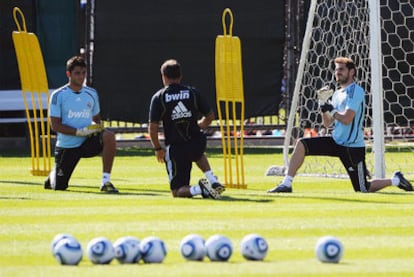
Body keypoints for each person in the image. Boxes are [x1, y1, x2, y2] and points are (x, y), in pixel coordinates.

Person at [267, 56, 413, 193]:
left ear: (352, 72)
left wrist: (332, 109)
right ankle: (287, 183)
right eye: (336, 70)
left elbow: (347, 118)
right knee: (301, 144)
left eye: (341, 69)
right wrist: (323, 106)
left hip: (352, 147)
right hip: (336, 141)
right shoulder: (337, 94)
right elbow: (328, 124)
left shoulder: (356, 91)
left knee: (363, 188)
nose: (337, 72)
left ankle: (395, 180)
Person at [148, 59, 225, 199]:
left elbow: (152, 127)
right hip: (196, 142)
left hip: (177, 148)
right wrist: (198, 126)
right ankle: (213, 180)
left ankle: (200, 189)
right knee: (197, 153)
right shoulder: (193, 92)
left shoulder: (159, 97)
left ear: (163, 77)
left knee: (177, 191)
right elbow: (210, 116)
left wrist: (158, 149)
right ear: (180, 76)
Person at [44, 56, 119, 193]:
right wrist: (78, 132)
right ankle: (53, 175)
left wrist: (95, 128)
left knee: (109, 136)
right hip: (67, 146)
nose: (81, 76)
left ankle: (105, 181)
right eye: (77, 73)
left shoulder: (91, 93)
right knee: (59, 187)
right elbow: (55, 125)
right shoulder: (58, 95)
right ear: (69, 74)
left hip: (86, 142)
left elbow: (97, 120)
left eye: (83, 73)